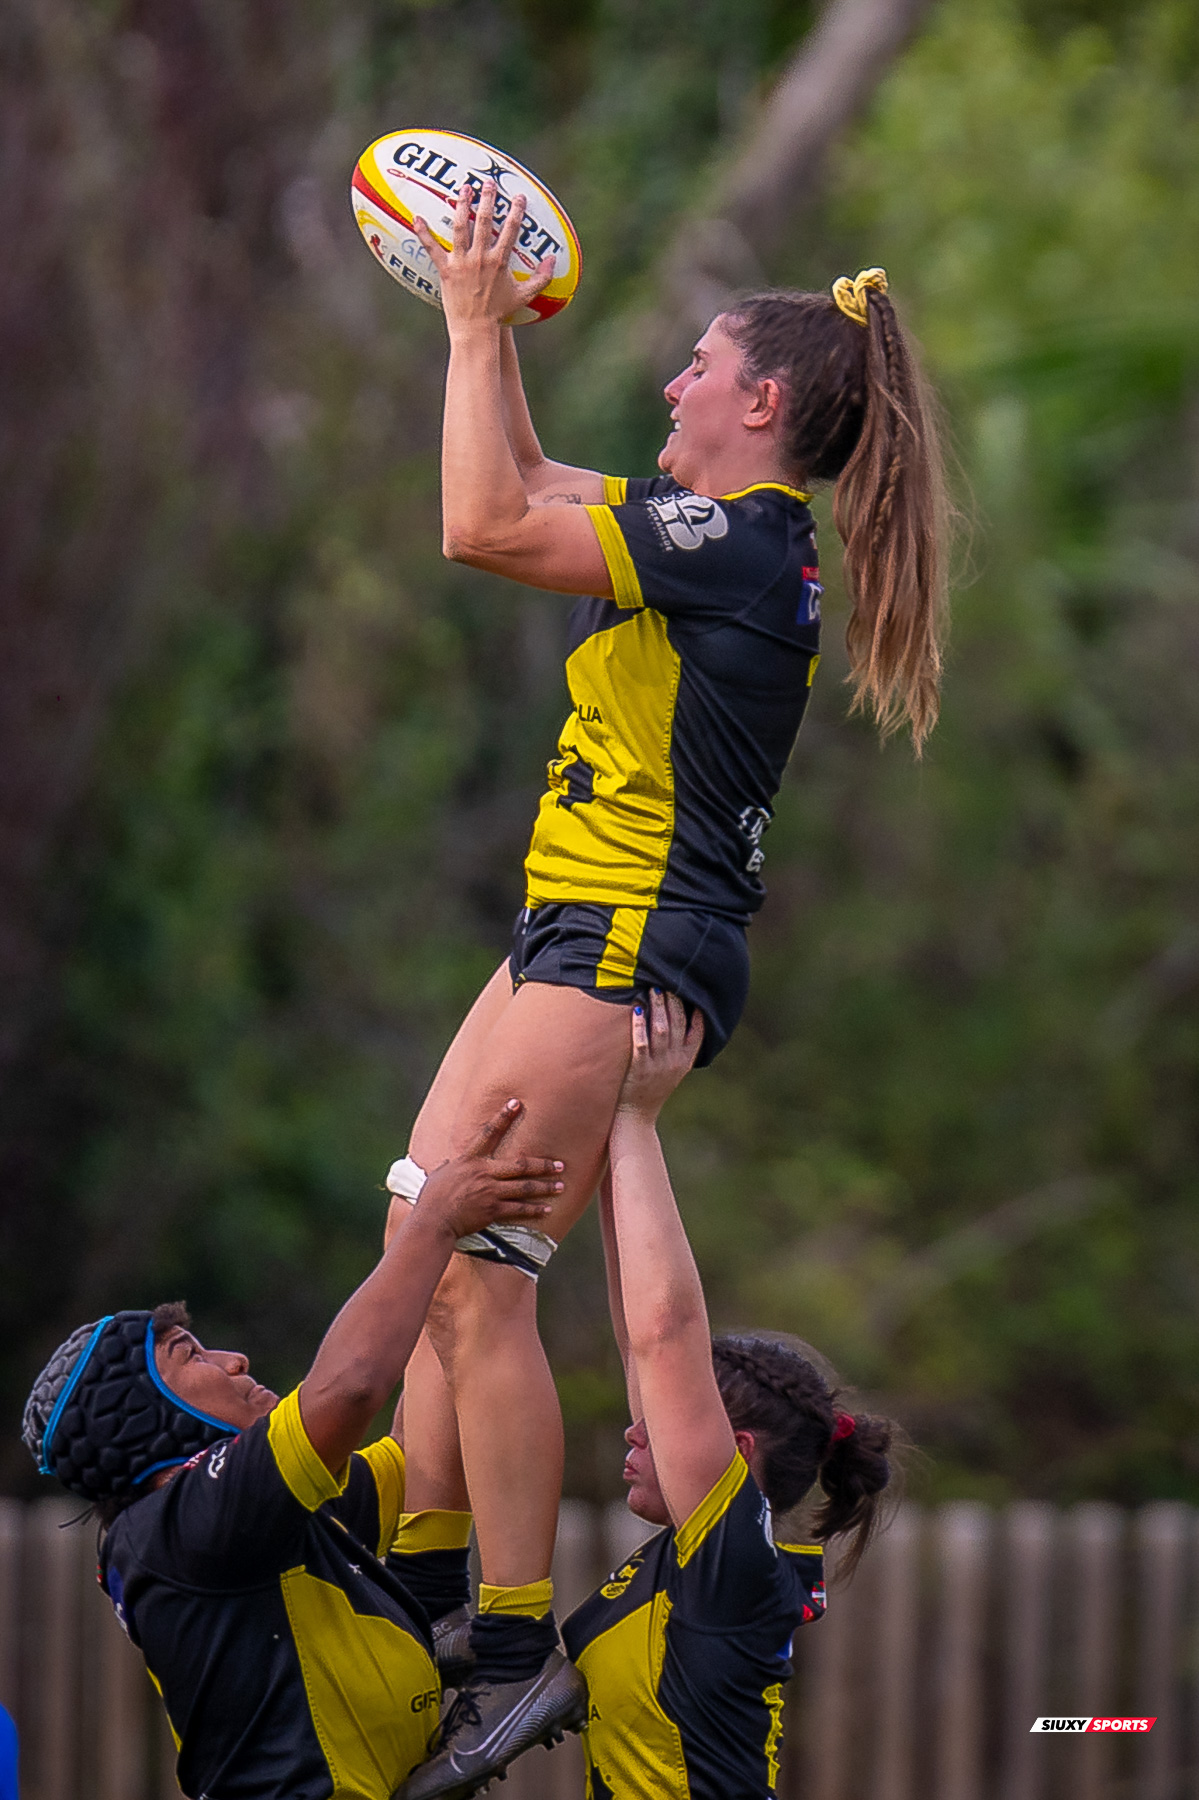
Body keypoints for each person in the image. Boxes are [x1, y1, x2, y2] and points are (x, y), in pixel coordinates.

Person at [385, 175, 946, 1778]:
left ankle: (497, 1648)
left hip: (626, 944)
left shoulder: (738, 543)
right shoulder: (703, 530)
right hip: (564, 925)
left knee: (479, 1277)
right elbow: (524, 477)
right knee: (413, 1243)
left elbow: (474, 524)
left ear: (761, 403)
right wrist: (466, 330)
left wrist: (480, 323)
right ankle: (420, 1580)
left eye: (696, 363)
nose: (671, 381)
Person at [21, 1104, 574, 1800]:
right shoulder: (180, 1525)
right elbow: (351, 1389)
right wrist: (433, 1222)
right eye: (190, 1354)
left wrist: (447, 1271)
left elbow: (423, 1458)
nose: (233, 1359)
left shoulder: (251, 1524)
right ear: (144, 1420)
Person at [562, 991, 897, 1799]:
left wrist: (639, 1121)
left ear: (735, 1452)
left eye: (658, 1427)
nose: (630, 1435)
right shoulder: (694, 1555)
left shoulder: (730, 1558)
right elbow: (638, 1326)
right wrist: (606, 1119)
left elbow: (664, 1330)